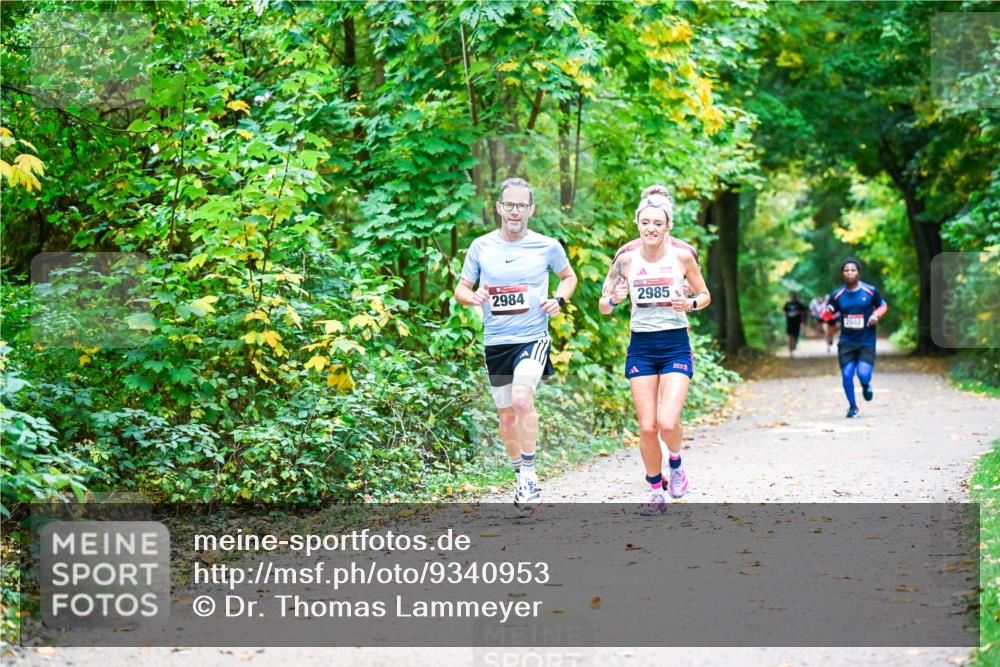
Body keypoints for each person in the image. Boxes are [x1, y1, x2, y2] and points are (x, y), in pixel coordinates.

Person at [454, 177, 577, 511]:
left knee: (523, 399)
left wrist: (559, 301)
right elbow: (461, 289)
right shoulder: (480, 247)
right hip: (497, 341)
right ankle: (520, 474)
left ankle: (531, 474)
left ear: (531, 209)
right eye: (509, 204)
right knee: (507, 418)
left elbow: (569, 278)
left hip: (532, 338)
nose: (515, 211)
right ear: (499, 207)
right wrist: (473, 296)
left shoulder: (547, 245)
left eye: (522, 205)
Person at [599, 186, 710, 515]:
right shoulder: (625, 260)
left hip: (675, 342)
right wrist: (615, 298)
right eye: (645, 222)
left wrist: (688, 303)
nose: (651, 228)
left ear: (668, 226)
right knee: (647, 426)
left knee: (667, 421)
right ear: (637, 224)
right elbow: (604, 306)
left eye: (657, 223)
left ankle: (676, 464)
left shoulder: (682, 256)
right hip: (642, 346)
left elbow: (704, 295)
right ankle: (654, 491)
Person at [822, 258, 888, 418]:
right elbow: (826, 315)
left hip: (866, 341)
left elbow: (883, 305)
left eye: (853, 270)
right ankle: (853, 407)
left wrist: (875, 315)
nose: (850, 272)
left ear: (858, 272)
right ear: (842, 274)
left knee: (864, 374)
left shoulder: (870, 291)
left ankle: (866, 385)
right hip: (847, 342)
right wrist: (829, 311)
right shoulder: (837, 295)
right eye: (846, 270)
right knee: (847, 374)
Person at [782, 292, 807, 356]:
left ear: (795, 296)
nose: (792, 297)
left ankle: (794, 345)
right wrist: (785, 315)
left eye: (793, 296)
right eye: (791, 296)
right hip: (789, 322)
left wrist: (802, 319)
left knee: (795, 336)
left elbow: (804, 311)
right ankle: (790, 351)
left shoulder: (799, 304)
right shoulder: (787, 304)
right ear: (790, 296)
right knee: (790, 336)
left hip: (797, 322)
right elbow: (784, 311)